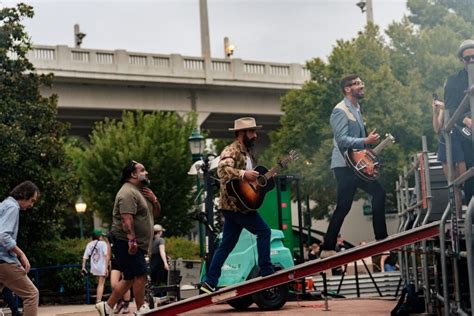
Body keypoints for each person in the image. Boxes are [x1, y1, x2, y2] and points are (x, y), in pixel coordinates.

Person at [200, 117, 274, 293]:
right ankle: (267, 271)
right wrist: (242, 174)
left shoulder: (247, 152)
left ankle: (209, 282)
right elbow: (222, 171)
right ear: (241, 134)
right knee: (264, 232)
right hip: (236, 206)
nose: (255, 135)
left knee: (226, 245)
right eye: (252, 132)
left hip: (237, 206)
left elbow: (249, 183)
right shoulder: (231, 150)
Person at [320, 75, 388, 259]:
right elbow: (341, 140)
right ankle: (327, 248)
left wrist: (369, 154)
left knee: (377, 194)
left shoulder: (356, 108)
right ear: (347, 89)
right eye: (357, 84)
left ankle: (381, 239)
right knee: (344, 206)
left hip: (356, 164)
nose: (362, 85)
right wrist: (365, 140)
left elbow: (358, 144)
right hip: (344, 165)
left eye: (361, 82)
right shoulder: (340, 110)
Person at [96, 161, 161, 316]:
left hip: (134, 242)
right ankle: (141, 309)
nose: (147, 173)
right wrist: (132, 241)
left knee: (130, 277)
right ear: (133, 174)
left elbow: (155, 215)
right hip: (127, 242)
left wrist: (155, 200)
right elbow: (126, 219)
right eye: (143, 170)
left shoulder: (141, 192)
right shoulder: (127, 193)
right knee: (140, 274)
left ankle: (107, 307)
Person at [0, 181, 40, 316]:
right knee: (32, 295)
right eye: (31, 200)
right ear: (23, 195)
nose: (31, 205)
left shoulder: (4, 204)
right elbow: (3, 235)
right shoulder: (12, 207)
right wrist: (21, 254)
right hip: (3, 261)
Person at [442, 39, 474, 206]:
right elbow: (450, 108)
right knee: (470, 170)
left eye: (473, 57)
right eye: (467, 58)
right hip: (465, 131)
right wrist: (465, 119)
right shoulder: (453, 80)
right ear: (462, 60)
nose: (471, 61)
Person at [82, 229, 109, 303]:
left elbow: (85, 257)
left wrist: (83, 267)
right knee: (101, 284)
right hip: (102, 266)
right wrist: (106, 268)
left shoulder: (89, 244)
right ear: (99, 236)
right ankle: (98, 300)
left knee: (99, 283)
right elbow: (106, 256)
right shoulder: (103, 243)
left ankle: (98, 298)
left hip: (94, 267)